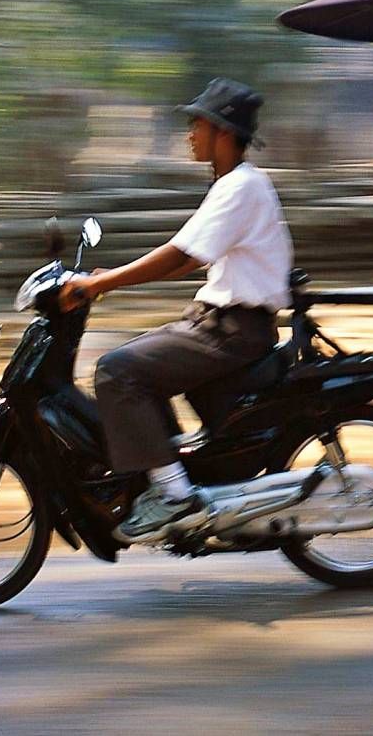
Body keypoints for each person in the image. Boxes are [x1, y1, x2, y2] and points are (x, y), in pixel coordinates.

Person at [57, 78, 293, 544]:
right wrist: (110, 279)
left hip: (231, 331)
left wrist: (102, 282)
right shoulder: (234, 184)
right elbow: (186, 254)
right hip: (217, 323)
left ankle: (174, 496)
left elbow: (182, 256)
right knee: (138, 361)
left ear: (222, 132)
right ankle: (168, 473)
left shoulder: (240, 186)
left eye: (197, 124)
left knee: (116, 371)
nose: (190, 134)